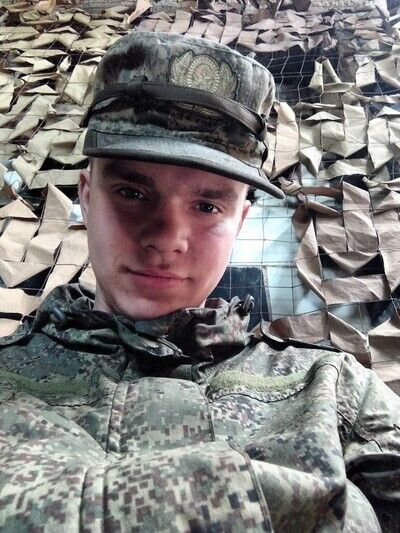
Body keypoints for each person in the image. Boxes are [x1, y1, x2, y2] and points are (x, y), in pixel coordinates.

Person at [0, 31, 399, 532]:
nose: (167, 239)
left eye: (207, 206)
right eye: (131, 192)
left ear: (240, 220)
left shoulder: (333, 391)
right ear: (86, 195)